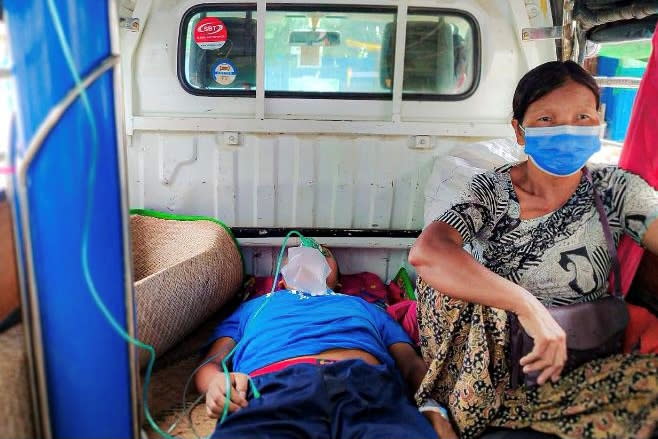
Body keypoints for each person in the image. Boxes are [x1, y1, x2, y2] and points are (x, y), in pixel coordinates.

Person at [409, 60, 658, 439]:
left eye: (582, 117)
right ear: (519, 131)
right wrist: (528, 307)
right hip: (494, 368)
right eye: (547, 119)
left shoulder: (615, 191)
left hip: (581, 358)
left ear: (599, 123)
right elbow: (429, 252)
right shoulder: (492, 193)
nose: (567, 130)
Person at [195, 244, 457, 439]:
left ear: (339, 281)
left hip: (367, 386)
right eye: (300, 248)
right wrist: (216, 384)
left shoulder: (364, 307)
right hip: (271, 389)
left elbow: (410, 363)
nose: (311, 251)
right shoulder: (257, 306)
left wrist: (433, 408)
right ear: (282, 279)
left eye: (323, 251)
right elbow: (211, 363)